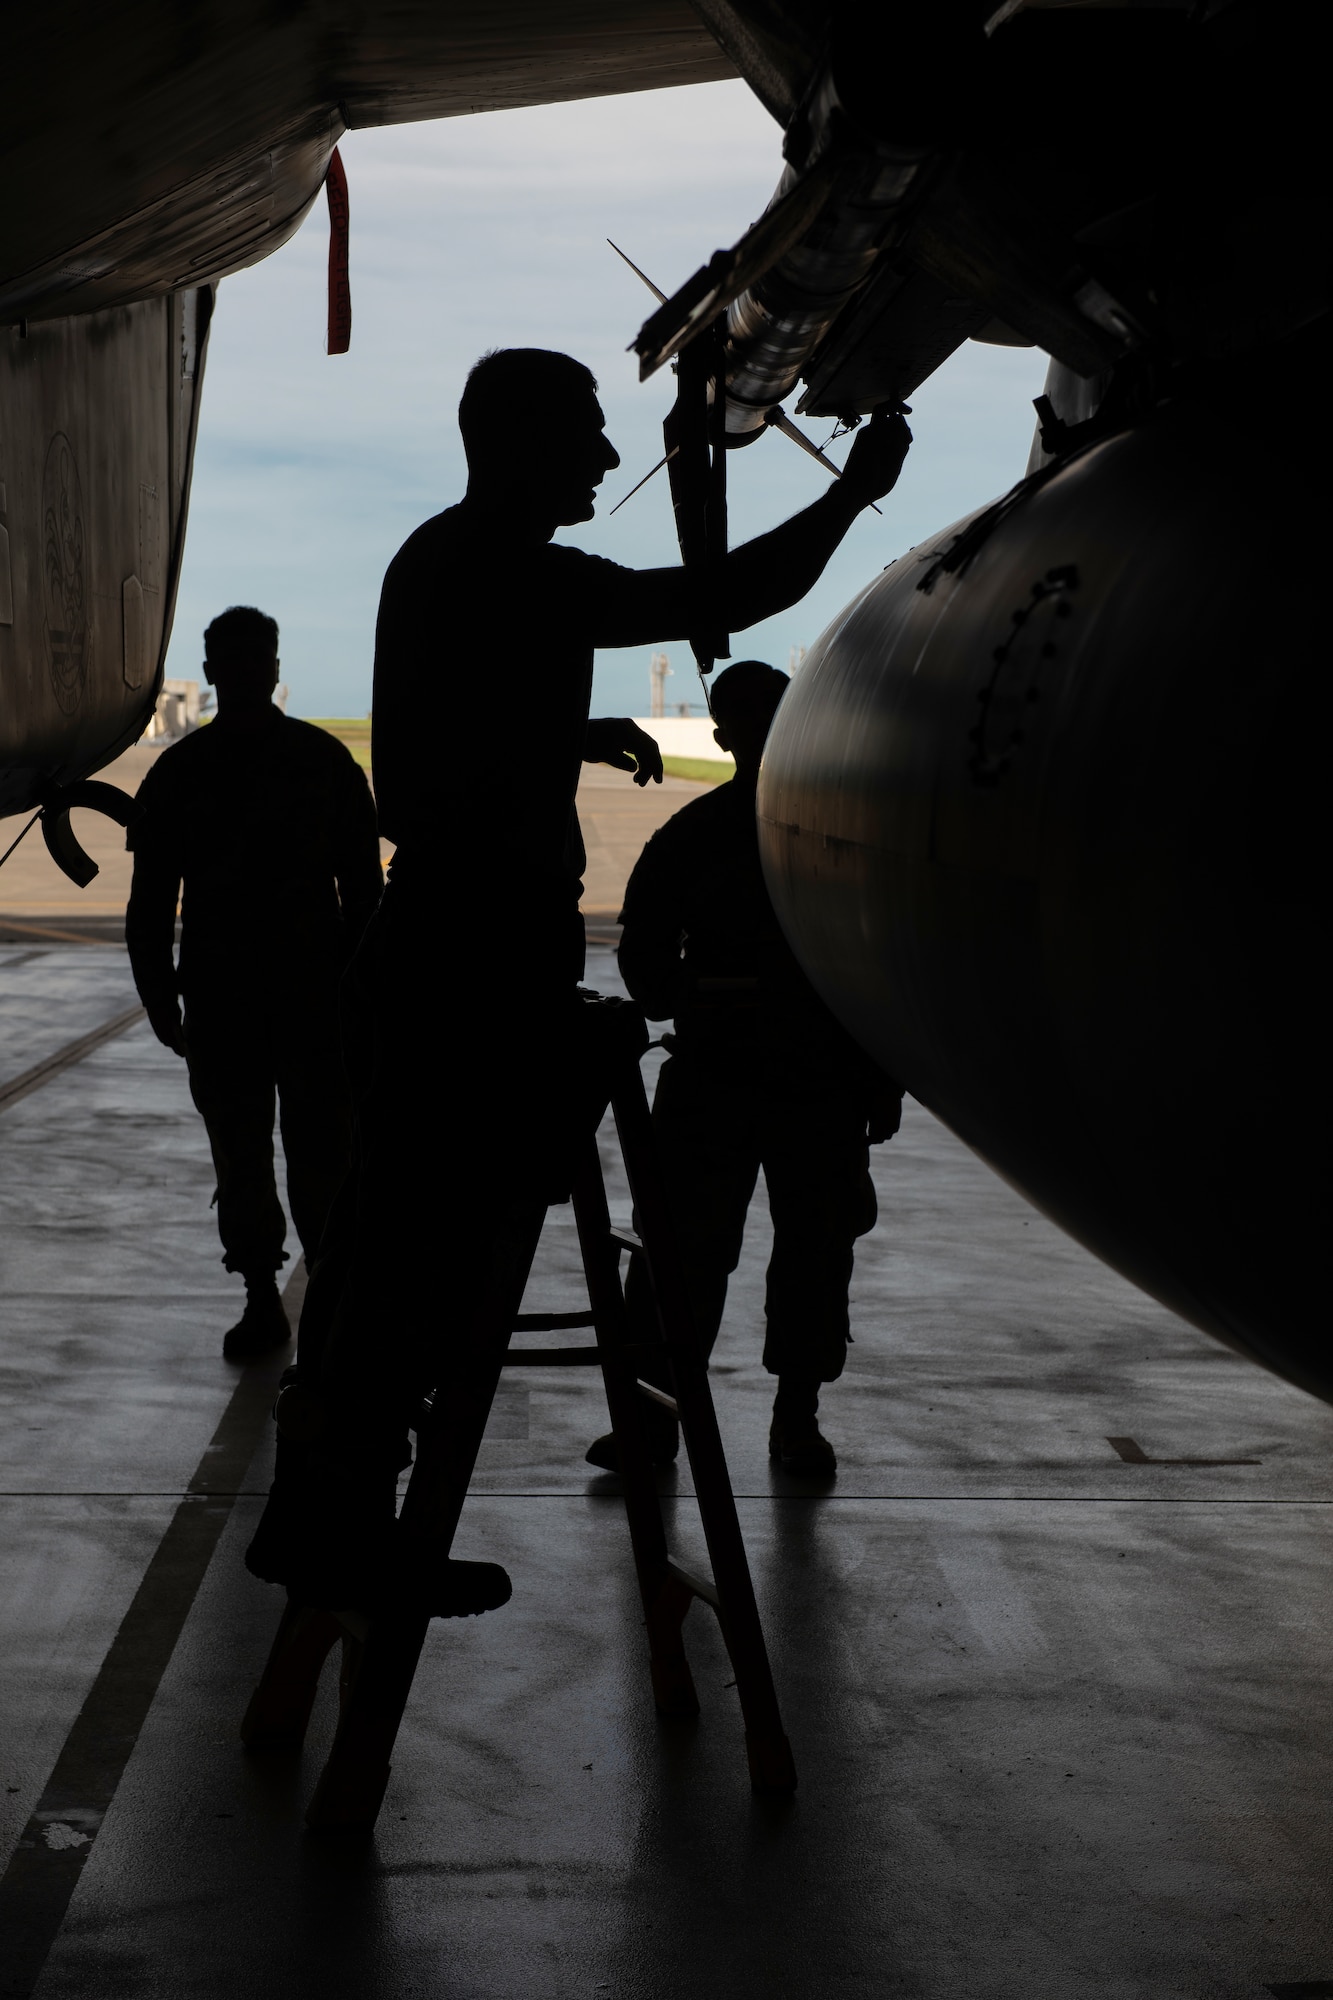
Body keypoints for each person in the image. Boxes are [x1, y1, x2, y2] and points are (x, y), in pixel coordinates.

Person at [247, 348, 911, 1611]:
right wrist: (852, 493)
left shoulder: (435, 561)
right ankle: (344, 1514)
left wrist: (566, 730)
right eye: (587, 437)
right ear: (516, 441)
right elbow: (734, 585)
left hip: (435, 937)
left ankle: (320, 1496)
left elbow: (455, 740)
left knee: (380, 1231)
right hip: (480, 949)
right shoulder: (522, 575)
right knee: (428, 1243)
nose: (609, 463)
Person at [591, 660, 903, 1478]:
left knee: (690, 1254)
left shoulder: (693, 835)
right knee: (801, 1248)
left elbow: (645, 968)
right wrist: (879, 1078)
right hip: (809, 1076)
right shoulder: (840, 833)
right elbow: (885, 963)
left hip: (725, 1072)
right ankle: (788, 1421)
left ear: (723, 736)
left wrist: (700, 995)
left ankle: (660, 1426)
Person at [125, 606, 383, 1360]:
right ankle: (308, 1306)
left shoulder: (183, 770)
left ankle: (270, 1299)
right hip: (300, 999)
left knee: (258, 1157)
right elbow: (365, 899)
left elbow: (150, 902)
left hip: (244, 998)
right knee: (311, 1159)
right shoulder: (322, 761)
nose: (242, 674)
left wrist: (158, 992)